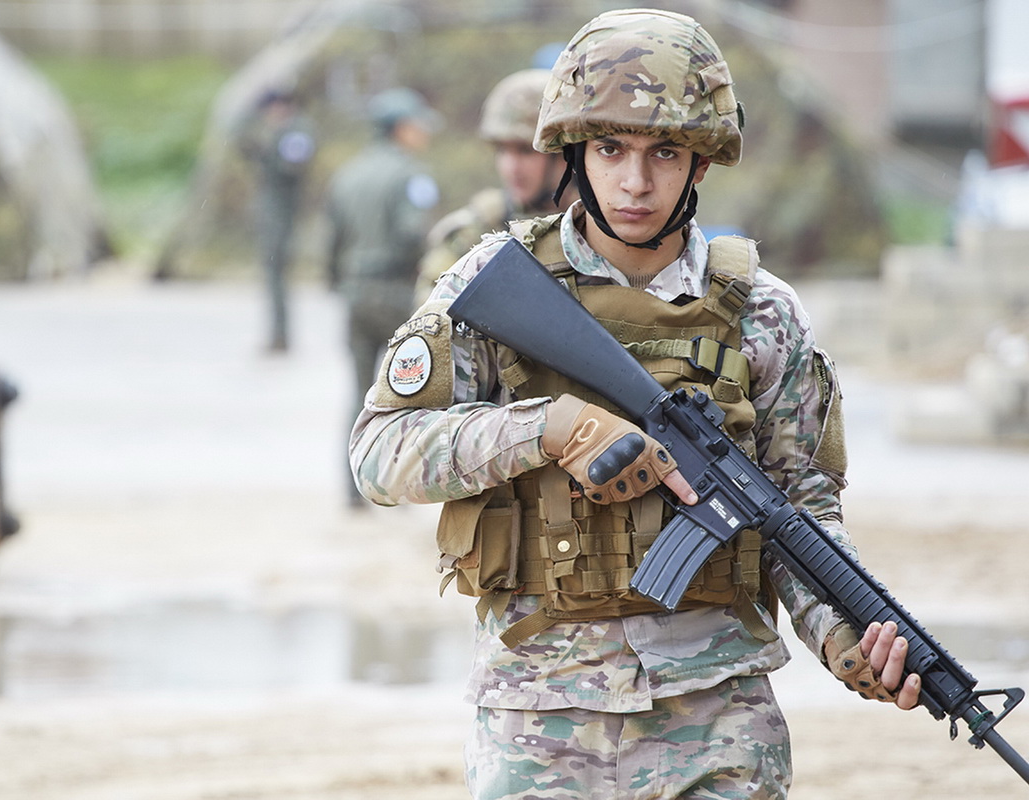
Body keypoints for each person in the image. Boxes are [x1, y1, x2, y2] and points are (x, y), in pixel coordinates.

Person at [349, 9, 920, 798]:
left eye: (666, 152)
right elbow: (379, 454)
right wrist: (549, 429)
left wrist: (849, 641)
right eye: (611, 148)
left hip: (718, 717)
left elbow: (801, 516)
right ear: (575, 149)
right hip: (539, 718)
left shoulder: (763, 313)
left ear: (702, 162)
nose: (635, 182)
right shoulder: (494, 285)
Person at [326, 86, 440, 506]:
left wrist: (338, 282)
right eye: (417, 125)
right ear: (400, 129)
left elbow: (333, 241)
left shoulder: (347, 173)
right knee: (406, 395)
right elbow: (414, 234)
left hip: (355, 291)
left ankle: (352, 490)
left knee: (359, 394)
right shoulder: (410, 175)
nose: (424, 132)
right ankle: (395, 488)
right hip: (396, 292)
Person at [416, 68, 577, 302]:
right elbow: (428, 319)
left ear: (564, 154)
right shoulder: (473, 232)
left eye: (525, 151)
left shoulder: (598, 228)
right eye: (502, 150)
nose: (511, 167)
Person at [239, 89, 316, 353]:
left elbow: (291, 167)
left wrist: (270, 142)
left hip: (283, 216)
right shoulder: (281, 132)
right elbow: (240, 139)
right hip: (272, 215)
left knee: (277, 275)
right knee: (273, 277)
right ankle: (277, 334)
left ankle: (281, 336)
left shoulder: (295, 133)